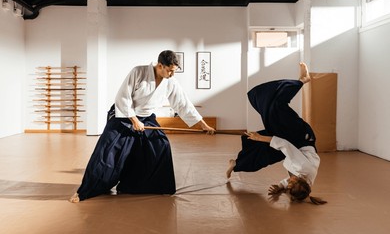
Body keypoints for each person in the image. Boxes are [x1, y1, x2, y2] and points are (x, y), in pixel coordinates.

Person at [69, 50, 215, 202]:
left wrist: (203, 125)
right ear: (160, 65)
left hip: (146, 117)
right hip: (123, 115)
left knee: (161, 145)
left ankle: (149, 186)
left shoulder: (171, 82)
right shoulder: (138, 72)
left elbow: (184, 105)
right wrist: (134, 120)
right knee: (108, 151)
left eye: (174, 71)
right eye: (170, 70)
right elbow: (122, 97)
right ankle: (85, 191)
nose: (172, 74)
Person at [226, 63, 326, 205]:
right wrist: (259, 137)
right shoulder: (303, 168)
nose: (288, 181)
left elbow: (290, 181)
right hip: (300, 137)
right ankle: (302, 80)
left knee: (263, 155)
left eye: (289, 184)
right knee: (275, 108)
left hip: (293, 145)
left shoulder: (305, 183)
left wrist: (279, 187)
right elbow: (284, 145)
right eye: (290, 183)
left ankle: (236, 164)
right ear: (299, 180)